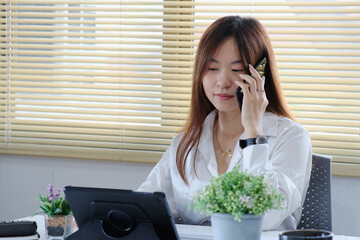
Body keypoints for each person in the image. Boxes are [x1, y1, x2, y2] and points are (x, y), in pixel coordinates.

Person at [138, 15, 312, 230]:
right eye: (212, 69)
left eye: (236, 69)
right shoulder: (186, 142)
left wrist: (253, 132)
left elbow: (264, 216)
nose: (222, 81)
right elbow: (142, 207)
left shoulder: (291, 137)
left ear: (259, 74)